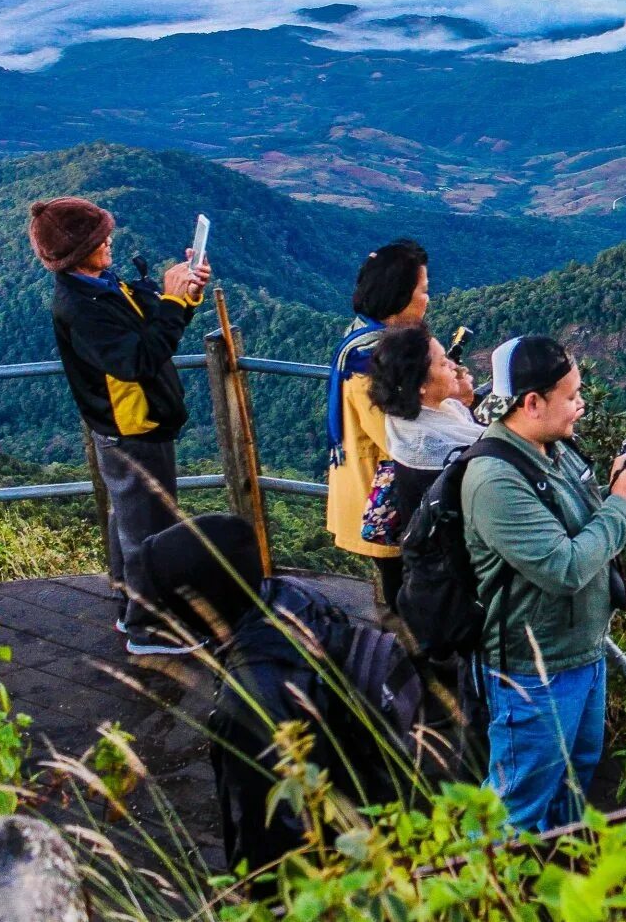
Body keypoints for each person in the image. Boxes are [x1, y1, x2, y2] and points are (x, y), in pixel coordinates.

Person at [462, 335, 626, 832]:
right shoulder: (495, 478)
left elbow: (582, 525)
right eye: (573, 395)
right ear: (532, 402)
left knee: (570, 790)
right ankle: (476, 894)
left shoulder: (552, 449)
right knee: (512, 809)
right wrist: (623, 500)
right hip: (532, 672)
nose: (582, 404)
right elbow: (566, 567)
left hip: (582, 654)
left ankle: (550, 885)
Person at [130, 512, 420, 877]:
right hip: (375, 794)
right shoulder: (296, 596)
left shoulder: (250, 702)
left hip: (333, 867)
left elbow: (270, 837)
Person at [29, 196, 210, 657]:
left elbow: (151, 330)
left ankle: (125, 599)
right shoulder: (82, 305)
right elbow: (139, 359)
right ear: (75, 251)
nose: (109, 240)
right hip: (131, 426)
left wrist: (183, 295)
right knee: (149, 525)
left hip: (133, 422)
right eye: (99, 237)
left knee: (130, 516)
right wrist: (170, 299)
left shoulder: (99, 285)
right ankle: (148, 628)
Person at [325, 239, 429, 610]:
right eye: (423, 290)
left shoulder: (365, 339)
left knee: (401, 582)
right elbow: (395, 435)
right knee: (402, 588)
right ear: (398, 296)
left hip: (377, 489)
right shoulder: (370, 361)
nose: (427, 299)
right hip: (383, 496)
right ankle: (407, 655)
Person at [363, 323, 483, 547]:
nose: (454, 368)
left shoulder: (415, 417)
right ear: (420, 385)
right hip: (448, 563)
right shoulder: (430, 446)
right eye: (443, 363)